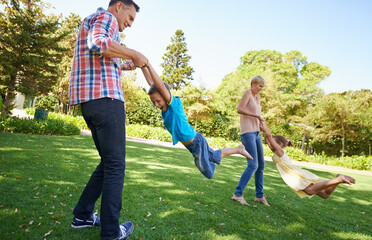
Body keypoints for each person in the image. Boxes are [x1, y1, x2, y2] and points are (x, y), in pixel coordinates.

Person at [68, 1, 148, 239]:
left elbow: (98, 57)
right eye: (130, 17)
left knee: (108, 162)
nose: (130, 24)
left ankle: (82, 215)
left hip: (91, 103)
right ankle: (111, 232)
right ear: (119, 6)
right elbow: (98, 43)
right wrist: (133, 52)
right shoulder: (108, 19)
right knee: (115, 166)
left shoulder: (91, 19)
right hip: (107, 101)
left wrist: (123, 65)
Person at [140, 63, 253, 179]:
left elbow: (159, 86)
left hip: (197, 143)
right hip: (193, 145)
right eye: (153, 102)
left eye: (158, 101)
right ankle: (238, 149)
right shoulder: (165, 110)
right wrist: (142, 66)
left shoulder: (174, 105)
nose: (156, 104)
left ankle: (210, 160)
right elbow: (152, 84)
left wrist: (148, 65)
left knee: (208, 173)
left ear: (165, 96)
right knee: (213, 156)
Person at [260, 121, 356, 199]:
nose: (268, 143)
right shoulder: (277, 152)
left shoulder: (279, 151)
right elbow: (267, 138)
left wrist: (263, 122)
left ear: (280, 144)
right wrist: (262, 131)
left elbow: (268, 136)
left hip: (295, 175)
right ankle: (339, 178)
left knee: (310, 191)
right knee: (325, 195)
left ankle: (338, 179)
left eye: (271, 141)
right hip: (294, 174)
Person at [232, 76, 270, 206]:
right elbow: (240, 109)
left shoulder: (257, 98)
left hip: (256, 133)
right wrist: (256, 116)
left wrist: (259, 123)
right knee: (253, 165)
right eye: (260, 86)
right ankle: (237, 194)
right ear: (253, 84)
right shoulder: (248, 93)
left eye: (262, 87)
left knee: (261, 165)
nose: (261, 89)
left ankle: (259, 196)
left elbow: (255, 113)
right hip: (247, 133)